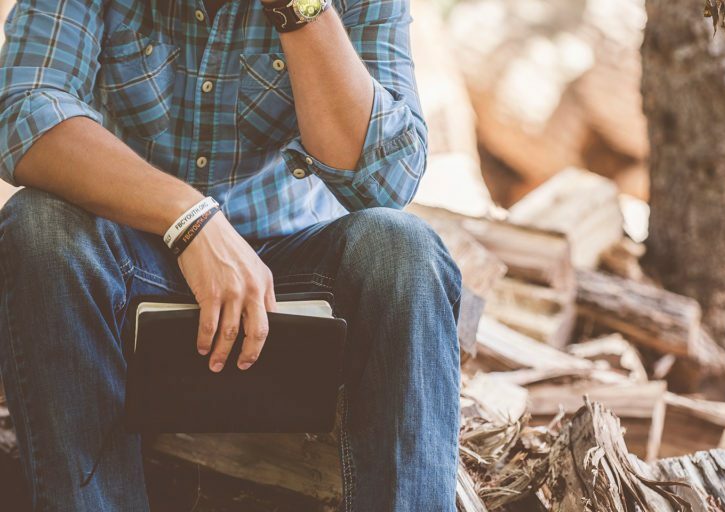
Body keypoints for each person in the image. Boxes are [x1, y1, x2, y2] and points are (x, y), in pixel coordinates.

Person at [0, 0, 461, 510]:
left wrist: (299, 9)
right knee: (38, 224)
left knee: (406, 252)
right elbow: (24, 111)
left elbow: (387, 179)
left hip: (291, 280)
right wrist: (189, 219)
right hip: (128, 265)